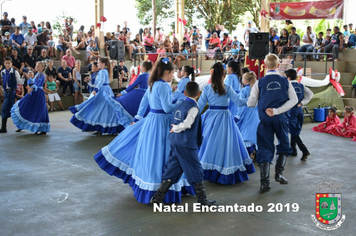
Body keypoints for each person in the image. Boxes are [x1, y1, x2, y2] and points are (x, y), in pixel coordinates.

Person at [94, 58, 195, 204]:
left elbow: (144, 102)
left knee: (152, 153)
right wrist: (182, 103)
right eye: (172, 73)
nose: (173, 76)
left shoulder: (152, 84)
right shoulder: (165, 86)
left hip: (151, 121)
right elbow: (167, 108)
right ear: (166, 72)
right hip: (163, 122)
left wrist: (138, 117)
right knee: (166, 154)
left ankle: (151, 187)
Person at [151, 81, 216, 206]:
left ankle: (158, 197)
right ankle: (202, 200)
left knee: (173, 168)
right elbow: (187, 124)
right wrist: (176, 128)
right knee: (195, 168)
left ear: (185, 93)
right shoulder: (193, 108)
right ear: (198, 94)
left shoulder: (180, 104)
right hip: (186, 143)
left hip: (175, 141)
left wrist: (174, 129)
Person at [197, 62, 255, 184]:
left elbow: (199, 106)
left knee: (210, 144)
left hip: (211, 118)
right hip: (225, 118)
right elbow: (239, 102)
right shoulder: (227, 88)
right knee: (226, 144)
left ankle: (210, 169)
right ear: (224, 75)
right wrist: (252, 99)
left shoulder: (207, 88)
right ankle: (224, 170)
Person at [247, 54, 298, 193]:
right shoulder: (284, 81)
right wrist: (277, 110)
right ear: (278, 64)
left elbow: (250, 103)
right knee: (284, 144)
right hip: (281, 118)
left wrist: (260, 101)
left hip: (264, 119)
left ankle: (264, 183)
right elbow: (294, 100)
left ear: (265, 64)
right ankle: (279, 173)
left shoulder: (260, 82)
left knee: (264, 147)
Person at [70, 57, 123, 135]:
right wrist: (91, 80)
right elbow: (101, 81)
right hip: (106, 90)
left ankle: (101, 128)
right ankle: (105, 128)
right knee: (105, 110)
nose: (97, 64)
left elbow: (101, 82)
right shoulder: (105, 71)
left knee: (98, 108)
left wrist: (95, 89)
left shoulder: (102, 71)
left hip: (103, 91)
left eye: (98, 63)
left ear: (103, 64)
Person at [107, 61, 153, 127]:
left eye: (141, 67)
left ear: (144, 68)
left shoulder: (141, 76)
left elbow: (133, 85)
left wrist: (123, 93)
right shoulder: (151, 76)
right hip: (148, 94)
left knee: (125, 104)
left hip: (140, 94)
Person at [10, 61, 50, 135]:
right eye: (36, 66)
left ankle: (42, 128)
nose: (37, 67)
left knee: (39, 109)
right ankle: (24, 125)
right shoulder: (37, 74)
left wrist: (32, 87)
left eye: (38, 66)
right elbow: (33, 83)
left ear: (42, 68)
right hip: (35, 93)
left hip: (38, 94)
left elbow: (37, 84)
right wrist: (28, 79)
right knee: (30, 108)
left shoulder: (41, 75)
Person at [285, 69, 313, 161]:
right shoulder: (301, 85)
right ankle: (293, 149)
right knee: (295, 130)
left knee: (293, 131)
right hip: (299, 110)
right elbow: (310, 94)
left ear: (288, 77)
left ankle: (304, 150)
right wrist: (302, 102)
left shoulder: (287, 86)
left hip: (290, 111)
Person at [234, 71, 259, 159]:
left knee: (245, 134)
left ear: (245, 80)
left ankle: (247, 154)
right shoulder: (257, 89)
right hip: (256, 113)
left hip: (247, 113)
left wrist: (237, 116)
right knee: (254, 133)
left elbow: (240, 104)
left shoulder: (244, 90)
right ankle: (255, 151)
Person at [0, 57, 22, 133]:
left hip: (12, 92)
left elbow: (20, 81)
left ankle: (3, 128)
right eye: (6, 63)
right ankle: (20, 125)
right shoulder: (2, 72)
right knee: (12, 110)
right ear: (4, 64)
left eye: (9, 63)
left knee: (4, 109)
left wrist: (23, 79)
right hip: (6, 92)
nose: (7, 65)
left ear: (11, 64)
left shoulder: (15, 72)